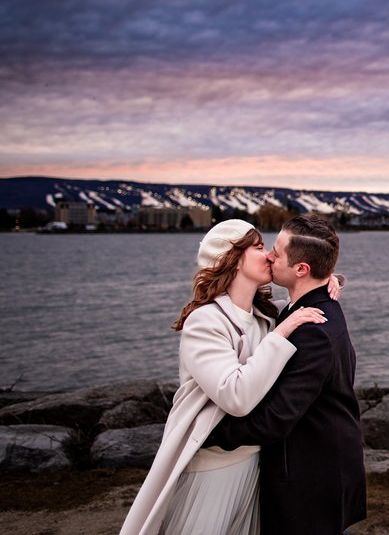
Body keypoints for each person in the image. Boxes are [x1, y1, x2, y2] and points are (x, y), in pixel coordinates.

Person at [120, 219, 331, 535]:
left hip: (255, 464)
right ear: (231, 258)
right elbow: (236, 397)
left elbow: (300, 299)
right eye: (259, 248)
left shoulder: (264, 317)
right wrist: (284, 332)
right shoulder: (204, 322)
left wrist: (327, 281)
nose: (270, 256)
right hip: (213, 467)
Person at [205, 214, 367, 534]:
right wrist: (333, 277)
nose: (269, 256)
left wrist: (210, 434)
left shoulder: (313, 330)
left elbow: (276, 418)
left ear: (301, 270)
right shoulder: (304, 307)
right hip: (319, 466)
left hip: (311, 479)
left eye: (277, 252)